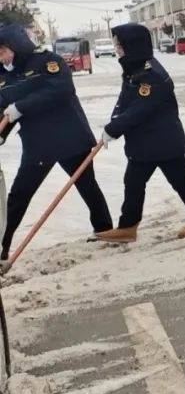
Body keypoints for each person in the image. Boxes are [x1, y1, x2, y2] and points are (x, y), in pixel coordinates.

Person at [0, 25, 113, 259]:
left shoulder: (48, 61)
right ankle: (3, 246)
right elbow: (6, 109)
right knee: (19, 195)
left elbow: (60, 90)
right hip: (38, 144)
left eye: (3, 51)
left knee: (87, 186)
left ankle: (104, 229)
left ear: (16, 46)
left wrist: (20, 107)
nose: (1, 57)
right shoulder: (5, 74)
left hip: (69, 137)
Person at [97, 23, 185, 242]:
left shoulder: (151, 75)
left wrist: (113, 129)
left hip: (162, 141)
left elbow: (140, 109)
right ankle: (128, 227)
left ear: (132, 45)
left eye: (119, 44)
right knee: (134, 181)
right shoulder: (136, 68)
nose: (117, 49)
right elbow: (125, 102)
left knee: (179, 180)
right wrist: (114, 122)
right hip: (147, 141)